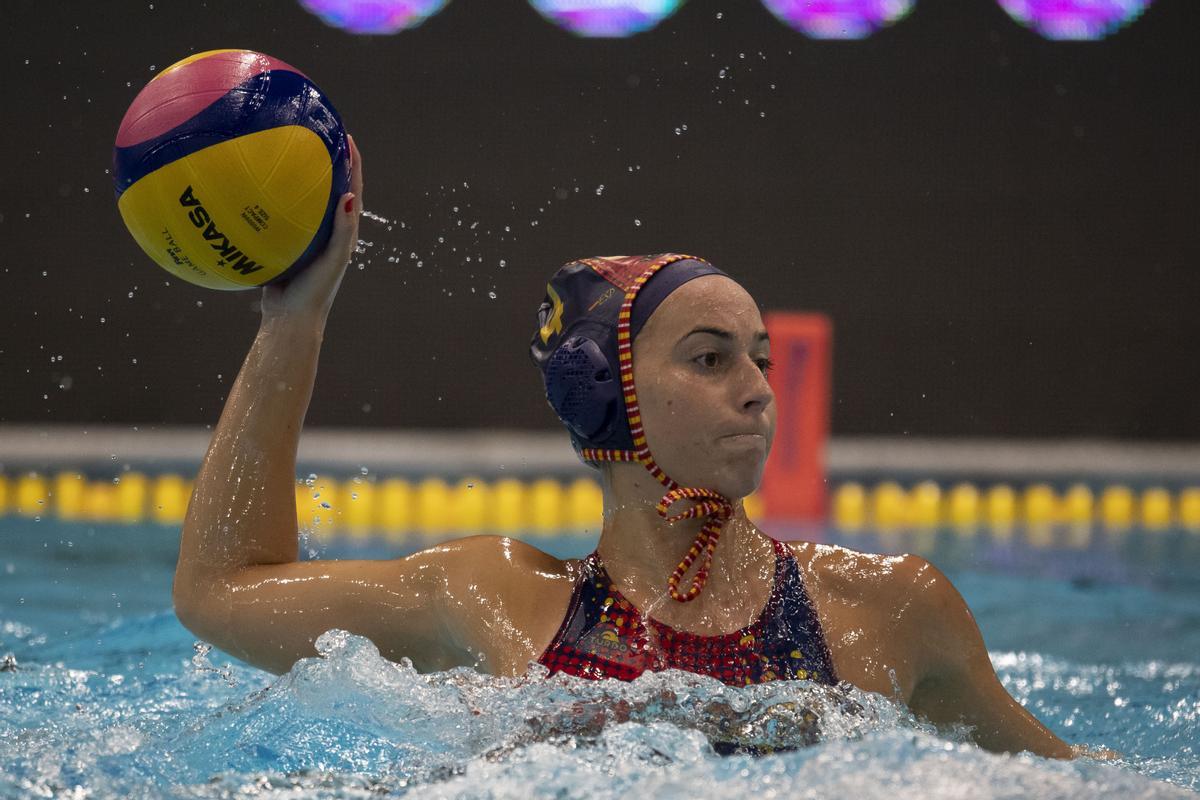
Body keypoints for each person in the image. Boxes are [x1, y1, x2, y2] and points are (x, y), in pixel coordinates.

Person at [173, 137, 1107, 760]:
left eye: (761, 359)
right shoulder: (492, 597)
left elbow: (1086, 785)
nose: (757, 388)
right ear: (603, 394)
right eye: (710, 358)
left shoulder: (889, 607)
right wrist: (294, 321)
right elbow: (218, 593)